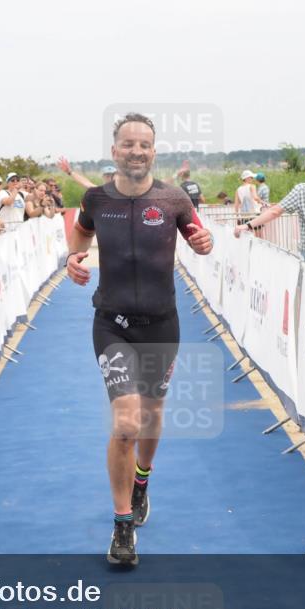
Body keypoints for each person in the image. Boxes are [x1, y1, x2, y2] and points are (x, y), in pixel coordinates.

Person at [66, 112, 213, 567]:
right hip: (111, 323)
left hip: (161, 324)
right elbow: (81, 231)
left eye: (144, 144)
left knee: (150, 415)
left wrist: (204, 242)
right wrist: (74, 257)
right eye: (127, 144)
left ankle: (142, 480)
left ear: (154, 150)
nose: (136, 151)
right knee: (126, 423)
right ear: (114, 151)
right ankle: (123, 524)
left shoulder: (173, 199)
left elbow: (198, 235)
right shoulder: (96, 198)